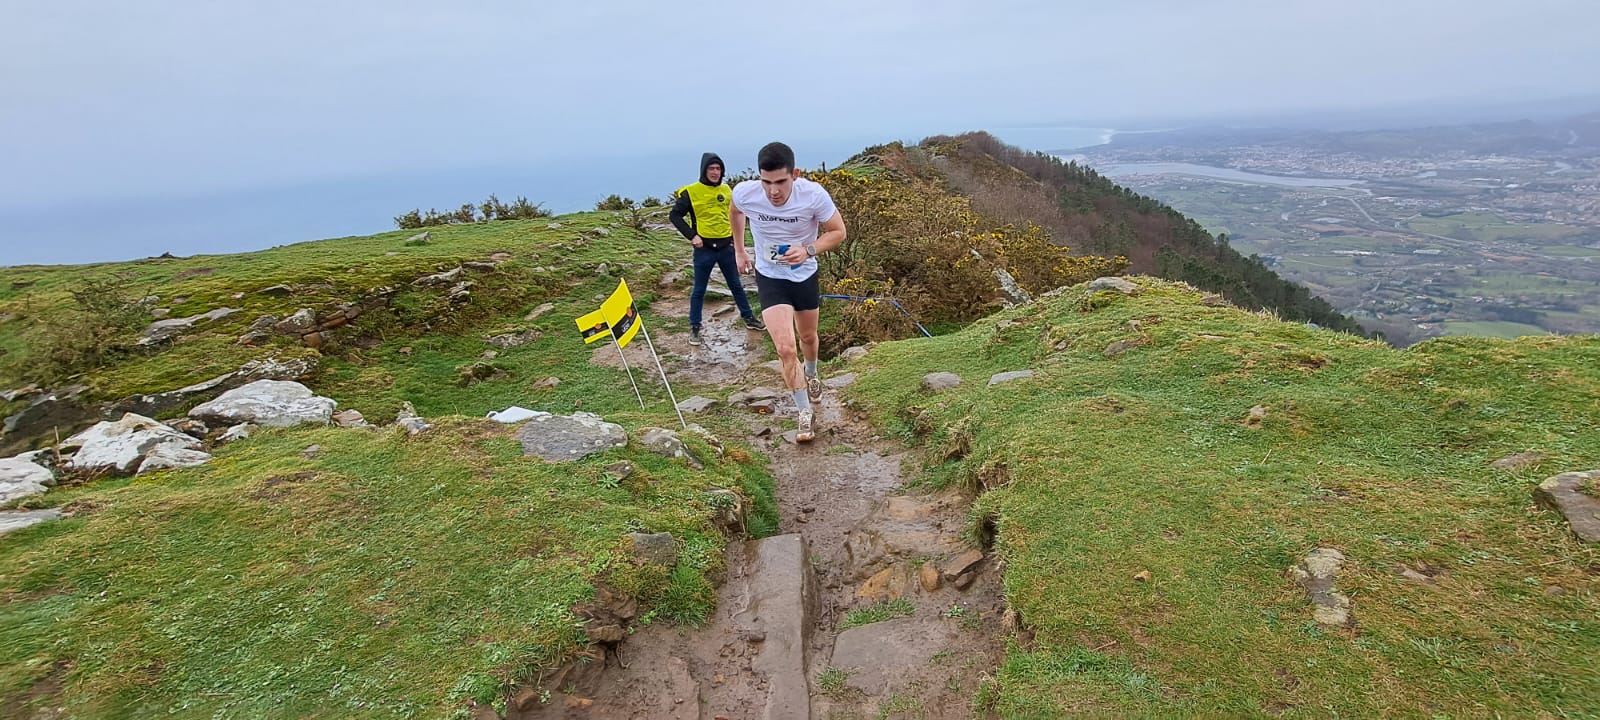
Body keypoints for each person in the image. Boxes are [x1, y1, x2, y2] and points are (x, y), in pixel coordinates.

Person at [731, 142, 847, 442]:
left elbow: (838, 231)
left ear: (794, 174)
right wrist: (740, 251)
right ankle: (804, 412)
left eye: (781, 182)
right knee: (785, 348)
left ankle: (811, 373)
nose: (773, 191)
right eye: (766, 182)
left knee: (808, 337)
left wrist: (808, 250)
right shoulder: (746, 193)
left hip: (803, 275)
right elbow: (735, 211)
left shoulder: (813, 195)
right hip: (770, 276)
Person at [670, 152, 765, 346]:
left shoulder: (727, 190)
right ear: (704, 170)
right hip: (704, 248)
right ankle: (695, 327)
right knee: (699, 290)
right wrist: (692, 236)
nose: (715, 172)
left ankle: (749, 318)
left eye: (718, 168)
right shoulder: (690, 191)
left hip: (726, 247)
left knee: (736, 286)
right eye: (711, 168)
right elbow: (675, 216)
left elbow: (737, 213)